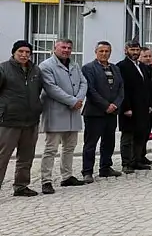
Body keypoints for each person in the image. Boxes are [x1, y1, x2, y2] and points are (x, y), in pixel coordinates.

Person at [39, 39, 88, 194]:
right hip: (56, 112)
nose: (66, 50)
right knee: (51, 149)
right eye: (63, 47)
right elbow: (51, 88)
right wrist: (72, 101)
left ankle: (67, 176)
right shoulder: (46, 66)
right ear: (55, 48)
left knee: (70, 147)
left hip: (73, 112)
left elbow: (83, 83)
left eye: (69, 48)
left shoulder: (74, 65)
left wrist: (79, 99)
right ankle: (46, 180)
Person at [0, 40, 43, 196]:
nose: (24, 55)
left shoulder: (35, 70)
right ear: (14, 52)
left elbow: (38, 90)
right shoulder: (3, 68)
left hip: (31, 121)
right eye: (21, 51)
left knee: (26, 156)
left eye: (27, 52)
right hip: (9, 121)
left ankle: (21, 186)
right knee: (2, 157)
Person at [80, 41, 124, 183]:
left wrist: (115, 105)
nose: (104, 54)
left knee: (109, 142)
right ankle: (87, 171)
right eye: (101, 51)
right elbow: (90, 90)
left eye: (107, 51)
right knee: (90, 143)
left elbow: (121, 89)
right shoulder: (88, 68)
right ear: (96, 52)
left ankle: (105, 167)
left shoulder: (115, 68)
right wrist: (105, 105)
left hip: (112, 113)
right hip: (95, 112)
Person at [116, 40, 152, 173]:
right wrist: (126, 107)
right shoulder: (121, 66)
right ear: (126, 50)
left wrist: (149, 104)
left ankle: (137, 160)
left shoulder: (142, 66)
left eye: (137, 50)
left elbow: (147, 87)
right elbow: (122, 88)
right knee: (128, 137)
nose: (135, 52)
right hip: (129, 108)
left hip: (142, 107)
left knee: (140, 135)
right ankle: (126, 163)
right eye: (132, 50)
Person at [138, 46, 152, 165]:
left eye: (150, 56)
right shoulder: (139, 69)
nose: (148, 58)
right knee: (140, 133)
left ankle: (142, 155)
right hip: (141, 106)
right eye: (145, 56)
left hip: (151, 105)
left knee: (146, 133)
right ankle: (137, 156)